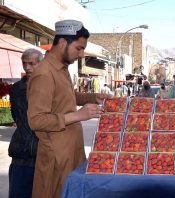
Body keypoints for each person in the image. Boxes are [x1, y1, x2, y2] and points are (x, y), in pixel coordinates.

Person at [27, 20, 112, 198]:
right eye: (79, 48)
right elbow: (36, 120)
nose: (81, 54)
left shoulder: (61, 69)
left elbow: (66, 97)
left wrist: (92, 97)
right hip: (56, 158)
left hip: (71, 152)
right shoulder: (44, 73)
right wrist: (78, 115)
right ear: (63, 43)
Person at [8, 48, 43, 198]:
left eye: (31, 63)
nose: (27, 67)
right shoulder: (17, 89)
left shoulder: (48, 86)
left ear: (41, 64)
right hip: (22, 154)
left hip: (42, 154)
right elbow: (18, 118)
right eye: (24, 63)